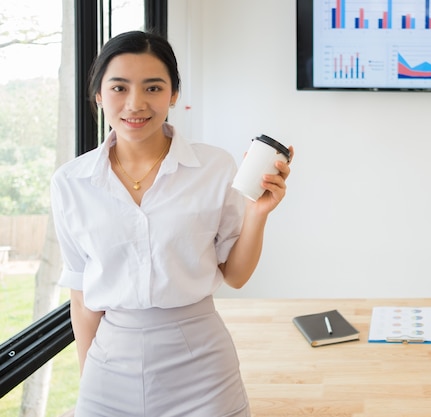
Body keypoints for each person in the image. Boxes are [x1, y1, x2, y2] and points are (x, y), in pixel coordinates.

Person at [51, 30, 293, 417]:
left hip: (202, 367)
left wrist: (257, 214)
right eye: (118, 88)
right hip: (109, 367)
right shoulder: (70, 182)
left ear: (173, 95)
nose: (135, 103)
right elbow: (81, 297)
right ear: (99, 94)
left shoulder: (213, 167)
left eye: (153, 87)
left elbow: (235, 275)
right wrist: (89, 379)